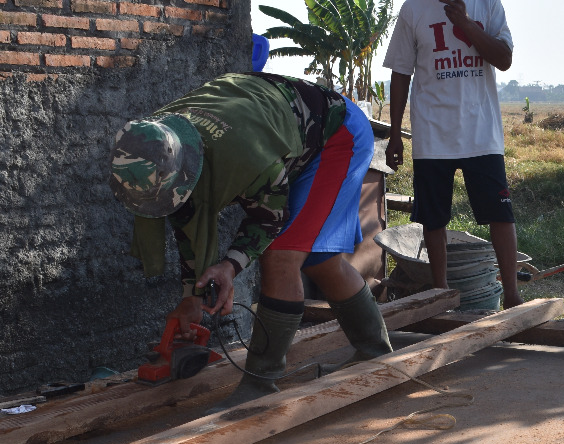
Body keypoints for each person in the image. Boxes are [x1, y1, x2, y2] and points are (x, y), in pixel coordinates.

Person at [110, 72, 392, 398]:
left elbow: (269, 222)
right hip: (285, 133)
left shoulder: (245, 155)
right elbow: (188, 220)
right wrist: (192, 298)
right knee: (319, 258)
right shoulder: (153, 141)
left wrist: (229, 267)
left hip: (337, 132)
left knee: (282, 256)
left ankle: (259, 385)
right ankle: (375, 354)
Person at [383, 0, 523, 309]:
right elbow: (401, 72)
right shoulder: (414, 9)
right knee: (433, 218)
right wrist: (395, 134)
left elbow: (504, 59)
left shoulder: (487, 5)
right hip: (433, 133)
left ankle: (512, 297)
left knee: (500, 213)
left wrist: (466, 23)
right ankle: (440, 293)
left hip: (481, 133)